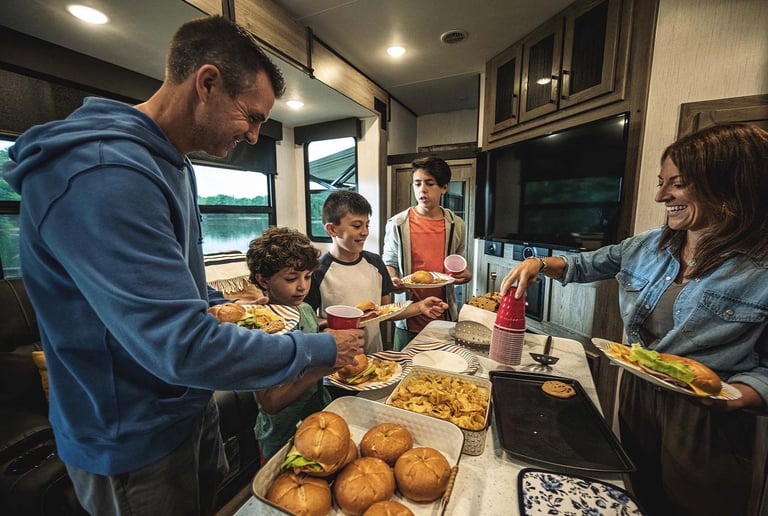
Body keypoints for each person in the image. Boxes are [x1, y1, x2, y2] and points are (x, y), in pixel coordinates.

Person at [2, 16, 364, 516]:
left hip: (186, 413)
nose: (258, 137)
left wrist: (220, 303)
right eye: (252, 117)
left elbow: (180, 295)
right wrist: (318, 348)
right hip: (130, 436)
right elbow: (179, 342)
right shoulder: (104, 172)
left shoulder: (170, 163)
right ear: (207, 83)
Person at [500, 123, 768, 516]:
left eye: (677, 184)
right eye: (662, 183)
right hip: (637, 396)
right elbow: (583, 264)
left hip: (710, 423)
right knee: (637, 494)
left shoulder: (760, 268)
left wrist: (734, 398)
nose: (661, 196)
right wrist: (539, 262)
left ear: (728, 185)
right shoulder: (647, 246)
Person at [306, 190, 448, 354]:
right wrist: (335, 325)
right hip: (336, 363)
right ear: (332, 229)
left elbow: (384, 311)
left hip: (375, 357)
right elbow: (307, 319)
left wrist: (419, 307)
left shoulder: (375, 262)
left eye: (367, 225)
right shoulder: (317, 271)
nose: (365, 232)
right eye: (357, 226)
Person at [245, 226, 334, 460]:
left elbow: (309, 329)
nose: (303, 286)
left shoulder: (304, 309)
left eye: (307, 276)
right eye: (291, 279)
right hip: (279, 434)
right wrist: (317, 371)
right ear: (263, 279)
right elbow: (270, 403)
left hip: (317, 418)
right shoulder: (258, 328)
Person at [382, 156, 472, 350]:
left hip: (444, 315)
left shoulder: (457, 225)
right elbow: (389, 262)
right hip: (408, 317)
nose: (422, 189)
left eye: (429, 183)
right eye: (417, 183)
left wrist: (466, 275)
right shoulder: (397, 224)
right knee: (404, 373)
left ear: (444, 188)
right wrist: (392, 280)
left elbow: (459, 263)